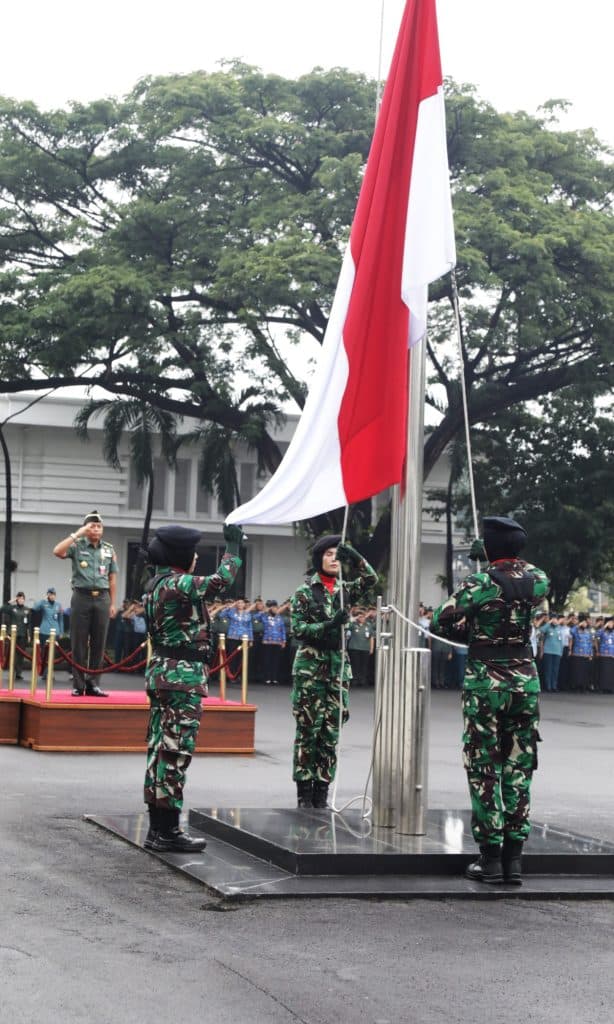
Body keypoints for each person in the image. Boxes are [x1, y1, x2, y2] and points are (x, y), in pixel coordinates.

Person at [431, 516, 549, 886]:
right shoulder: (539, 579)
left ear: (490, 548)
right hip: (525, 681)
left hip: (486, 682)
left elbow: (440, 620)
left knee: (484, 767)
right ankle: (515, 857)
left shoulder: (480, 583)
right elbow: (529, 590)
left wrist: (470, 628)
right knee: (519, 766)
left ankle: (491, 858)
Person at [142, 523, 243, 853]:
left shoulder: (157, 584)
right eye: (194, 552)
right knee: (176, 751)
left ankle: (158, 827)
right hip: (181, 678)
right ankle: (168, 830)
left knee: (160, 749)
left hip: (163, 673)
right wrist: (234, 550)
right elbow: (220, 582)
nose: (197, 557)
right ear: (181, 554)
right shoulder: (177, 583)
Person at [291, 534, 378, 809]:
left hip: (338, 669)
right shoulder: (305, 592)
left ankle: (322, 792)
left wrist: (353, 554)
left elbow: (372, 579)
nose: (334, 559)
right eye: (329, 554)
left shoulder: (345, 590)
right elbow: (298, 629)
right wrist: (328, 625)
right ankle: (304, 794)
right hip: (311, 668)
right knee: (308, 732)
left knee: (330, 734)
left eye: (337, 555)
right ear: (319, 559)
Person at [53, 511, 118, 696]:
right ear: (85, 528)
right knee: (79, 642)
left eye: (99, 526)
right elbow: (57, 551)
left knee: (99, 642)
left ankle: (93, 684)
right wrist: (78, 533)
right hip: (81, 597)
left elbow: (112, 579)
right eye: (92, 526)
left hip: (103, 598)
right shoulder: (77, 545)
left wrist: (113, 603)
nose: (96, 529)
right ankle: (78, 684)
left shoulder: (109, 549)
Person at [253, 599, 288, 685]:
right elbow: (255, 617)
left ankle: (274, 678)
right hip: (267, 641)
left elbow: (282, 630)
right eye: (273, 608)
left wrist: (284, 641)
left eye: (276, 608)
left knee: (276, 661)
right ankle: (267, 677)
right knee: (267, 660)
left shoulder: (279, 618)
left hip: (277, 641)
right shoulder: (265, 616)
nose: (275, 609)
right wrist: (265, 611)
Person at [31, 587, 64, 673]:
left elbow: (61, 619)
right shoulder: (43, 603)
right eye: (50, 594)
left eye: (53, 594)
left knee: (52, 653)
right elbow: (35, 608)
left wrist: (61, 632)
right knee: (44, 652)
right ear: (48, 595)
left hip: (55, 632)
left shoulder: (58, 605)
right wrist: (43, 599)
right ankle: (44, 671)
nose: (52, 596)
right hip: (44, 631)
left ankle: (50, 671)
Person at [1, 591, 32, 680]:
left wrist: (29, 634)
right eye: (19, 598)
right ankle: (12, 671)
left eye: (22, 598)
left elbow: (29, 623)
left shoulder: (27, 609)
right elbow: (2, 609)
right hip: (12, 634)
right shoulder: (12, 608)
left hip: (22, 634)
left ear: (24, 599)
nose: (21, 600)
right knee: (12, 654)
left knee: (21, 654)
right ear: (17, 599)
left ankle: (18, 672)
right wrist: (10, 602)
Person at [346, 609, 374, 688]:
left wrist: (371, 648)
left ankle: (363, 680)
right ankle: (355, 680)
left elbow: (371, 637)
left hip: (365, 648)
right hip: (354, 648)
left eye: (363, 617)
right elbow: (347, 624)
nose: (362, 618)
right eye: (360, 617)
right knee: (355, 665)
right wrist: (355, 618)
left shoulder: (368, 625)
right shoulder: (353, 625)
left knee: (364, 665)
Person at [538, 613, 565, 693]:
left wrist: (561, 651)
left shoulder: (559, 628)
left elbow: (561, 641)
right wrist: (549, 622)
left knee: (555, 670)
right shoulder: (548, 627)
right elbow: (541, 630)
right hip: (548, 651)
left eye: (556, 619)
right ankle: (548, 686)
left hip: (557, 652)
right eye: (553, 619)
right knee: (548, 669)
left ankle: (554, 686)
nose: (555, 621)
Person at [595, 617, 614, 694]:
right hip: (604, 654)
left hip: (612, 654)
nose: (612, 624)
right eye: (610, 623)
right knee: (604, 672)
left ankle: (611, 688)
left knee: (611, 672)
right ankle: (603, 687)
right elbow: (596, 635)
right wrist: (605, 626)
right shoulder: (602, 631)